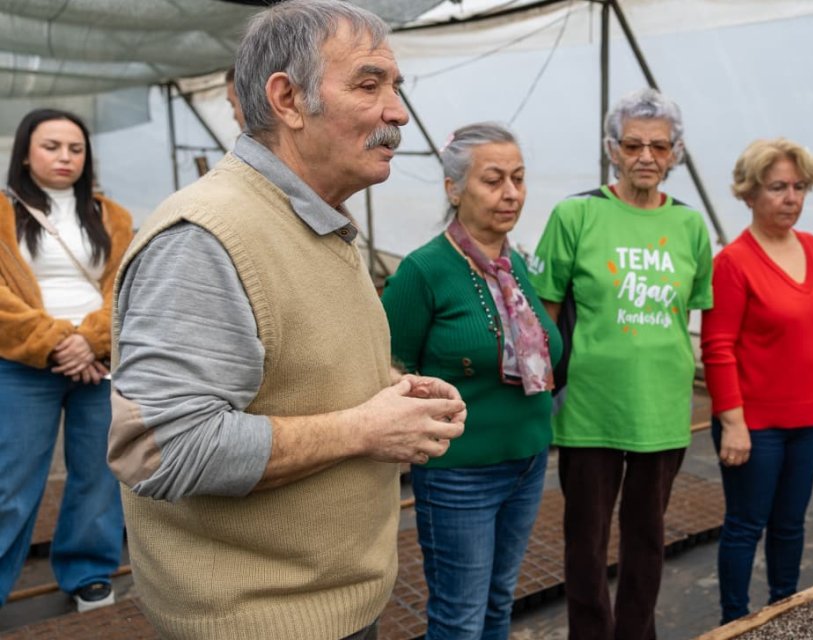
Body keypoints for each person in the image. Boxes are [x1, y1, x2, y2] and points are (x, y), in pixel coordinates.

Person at [106, 2, 465, 638]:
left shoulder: (317, 219)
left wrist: (389, 394)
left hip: (331, 607)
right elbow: (165, 450)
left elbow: (288, 363)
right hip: (260, 620)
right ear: (288, 99)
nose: (397, 112)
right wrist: (361, 428)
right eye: (368, 83)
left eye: (396, 87)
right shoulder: (208, 237)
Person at [529, 88, 713, 640]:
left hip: (662, 409)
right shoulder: (576, 214)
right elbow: (545, 316)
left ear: (676, 153)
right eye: (633, 144)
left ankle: (637, 632)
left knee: (648, 536)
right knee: (585, 538)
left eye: (659, 146)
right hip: (590, 407)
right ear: (612, 149)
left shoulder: (690, 227)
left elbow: (694, 316)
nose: (646, 157)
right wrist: (540, 395)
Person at [381, 122, 562, 640]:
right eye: (493, 180)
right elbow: (387, 367)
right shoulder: (424, 270)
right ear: (453, 188)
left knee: (498, 604)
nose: (510, 193)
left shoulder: (514, 264)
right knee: (460, 618)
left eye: (519, 178)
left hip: (526, 462)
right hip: (461, 474)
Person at [700, 138, 813, 623]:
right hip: (755, 425)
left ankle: (784, 610)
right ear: (748, 193)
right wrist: (733, 423)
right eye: (778, 187)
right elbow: (717, 347)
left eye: (799, 187)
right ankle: (735, 622)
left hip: (804, 419)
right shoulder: (734, 263)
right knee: (745, 525)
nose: (791, 198)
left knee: (790, 524)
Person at [0, 108, 132, 612]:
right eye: (51, 146)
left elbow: (124, 286)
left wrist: (90, 341)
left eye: (75, 149)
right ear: (26, 153)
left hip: (96, 363)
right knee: (11, 481)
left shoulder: (110, 215)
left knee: (99, 473)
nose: (65, 157)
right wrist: (58, 340)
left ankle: (88, 573)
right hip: (23, 365)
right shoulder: (4, 211)